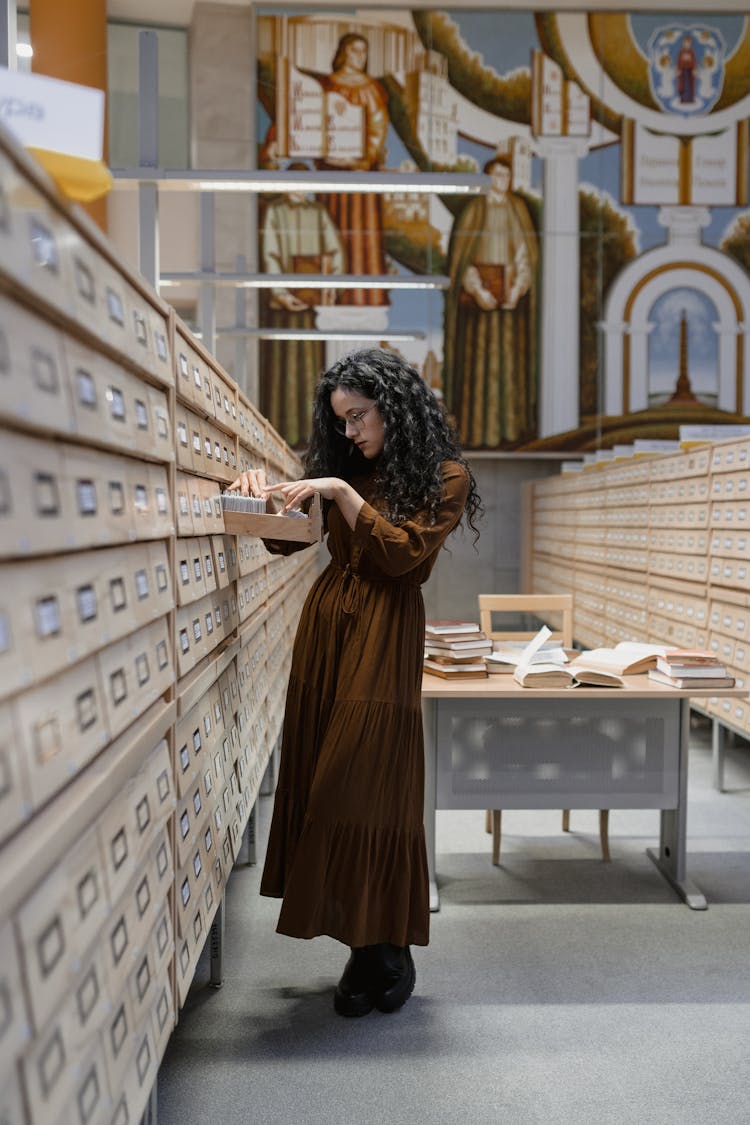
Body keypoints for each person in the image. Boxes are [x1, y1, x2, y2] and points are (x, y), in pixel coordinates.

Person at [227, 348, 481, 1016]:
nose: (350, 434)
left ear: (392, 406)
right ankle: (363, 949)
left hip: (384, 629)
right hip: (327, 631)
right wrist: (256, 493)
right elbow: (289, 541)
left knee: (364, 784)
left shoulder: (444, 476)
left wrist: (342, 494)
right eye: (340, 421)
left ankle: (390, 944)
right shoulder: (344, 465)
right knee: (322, 779)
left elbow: (402, 557)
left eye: (359, 417)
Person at [443, 154, 539, 449]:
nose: (502, 182)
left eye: (506, 176)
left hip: (509, 306)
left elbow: (525, 254)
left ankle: (510, 430)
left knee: (509, 367)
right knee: (478, 370)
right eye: (496, 175)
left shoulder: (518, 210)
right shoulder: (473, 211)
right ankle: (476, 432)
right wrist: (478, 290)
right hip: (478, 307)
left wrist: (518, 288)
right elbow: (463, 259)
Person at [259, 164, 345, 447]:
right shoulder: (275, 212)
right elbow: (270, 254)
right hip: (284, 310)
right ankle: (283, 435)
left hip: (311, 308)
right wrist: (281, 292)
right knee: (283, 369)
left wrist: (327, 286)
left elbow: (334, 251)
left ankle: (312, 436)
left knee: (311, 370)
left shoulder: (317, 213)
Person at [316, 33, 390, 308]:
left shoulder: (370, 89)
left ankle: (362, 295)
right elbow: (314, 120)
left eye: (364, 52)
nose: (360, 56)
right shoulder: (325, 86)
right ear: (344, 52)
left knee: (361, 232)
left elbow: (378, 128)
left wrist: (363, 159)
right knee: (332, 228)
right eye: (355, 50)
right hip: (332, 173)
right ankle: (332, 292)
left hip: (360, 177)